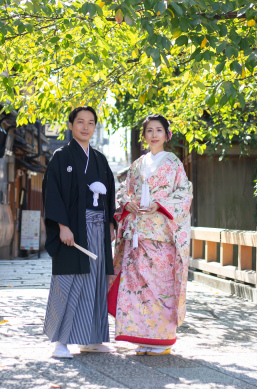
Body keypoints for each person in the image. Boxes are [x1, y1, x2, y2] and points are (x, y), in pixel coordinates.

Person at [109, 114, 193, 356]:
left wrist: (159, 204)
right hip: (137, 235)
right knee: (139, 289)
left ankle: (163, 339)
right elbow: (125, 192)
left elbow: (184, 195)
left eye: (159, 130)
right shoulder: (137, 165)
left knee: (160, 288)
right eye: (149, 131)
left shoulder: (174, 163)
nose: (154, 135)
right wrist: (128, 204)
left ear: (167, 135)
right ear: (144, 136)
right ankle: (143, 337)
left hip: (162, 235)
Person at [42, 106, 117, 358]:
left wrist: (110, 224)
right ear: (71, 124)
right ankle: (60, 342)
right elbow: (52, 193)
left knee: (95, 282)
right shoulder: (61, 156)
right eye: (80, 122)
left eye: (91, 123)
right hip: (73, 230)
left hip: (97, 229)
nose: (86, 127)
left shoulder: (100, 159)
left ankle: (91, 338)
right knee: (68, 282)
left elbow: (109, 195)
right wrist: (62, 226)